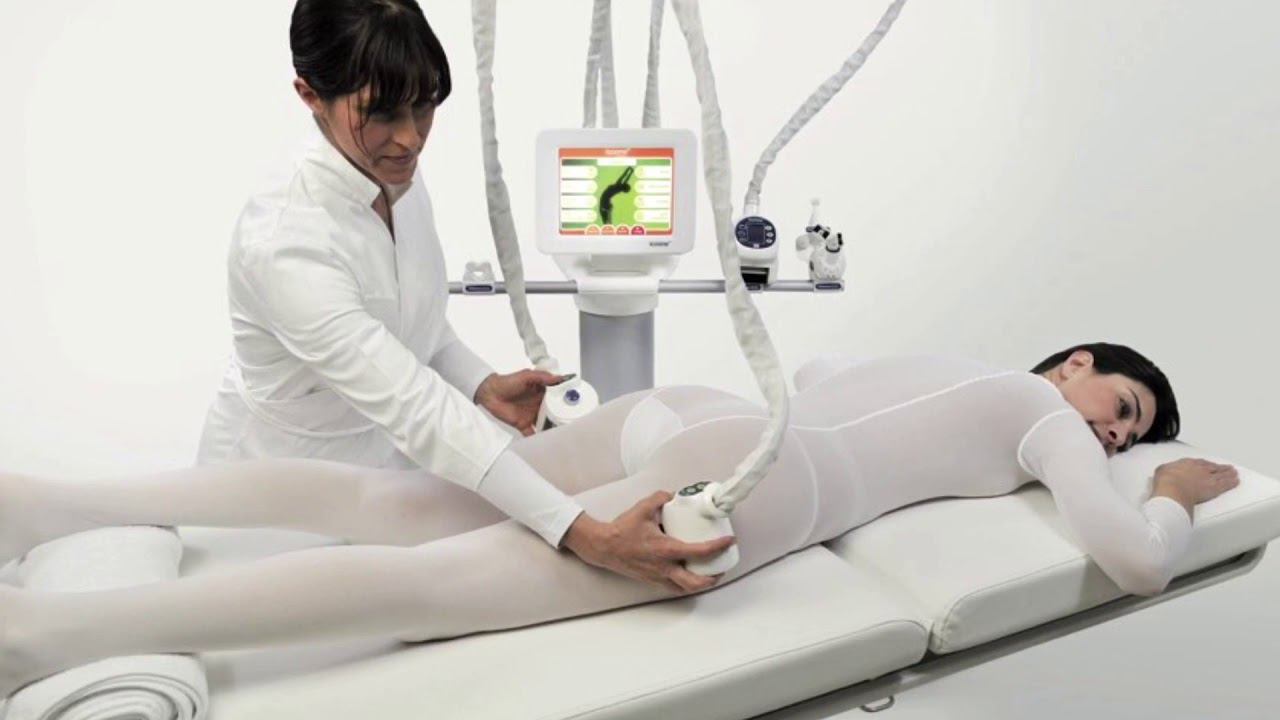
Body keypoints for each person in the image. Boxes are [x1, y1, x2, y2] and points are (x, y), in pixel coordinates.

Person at [0, 344, 1241, 696]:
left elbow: (814, 380)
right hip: (757, 484)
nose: (1113, 440)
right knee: (432, 587)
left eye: (1131, 439)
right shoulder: (1035, 411)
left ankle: (47, 503)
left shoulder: (942, 360)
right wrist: (1170, 498)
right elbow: (1133, 562)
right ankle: (43, 639)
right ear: (1073, 365)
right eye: (1122, 411)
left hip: (690, 411)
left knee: (388, 502)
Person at [193, 0, 728, 586]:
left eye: (424, 106)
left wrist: (481, 385)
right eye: (382, 112)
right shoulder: (285, 244)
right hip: (273, 509)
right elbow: (415, 404)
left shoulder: (387, 172)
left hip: (379, 479)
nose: (410, 138)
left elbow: (410, 318)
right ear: (309, 95)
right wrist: (586, 534)